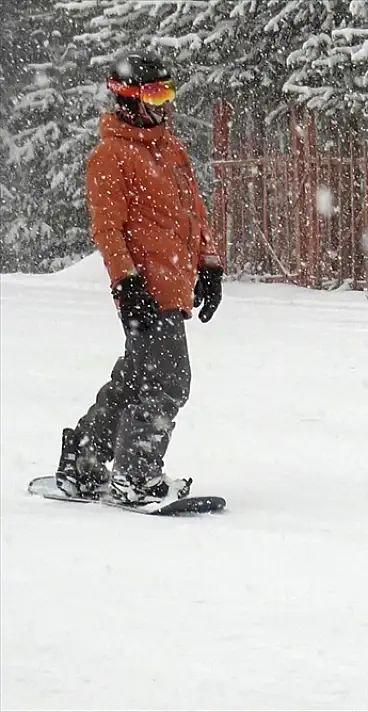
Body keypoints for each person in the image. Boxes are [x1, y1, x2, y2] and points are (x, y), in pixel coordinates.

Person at [54, 54, 223, 506]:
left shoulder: (170, 148)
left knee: (135, 379)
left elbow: (194, 211)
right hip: (146, 289)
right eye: (154, 95)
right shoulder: (111, 155)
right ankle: (136, 474)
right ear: (127, 99)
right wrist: (126, 284)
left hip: (175, 283)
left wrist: (209, 264)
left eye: (168, 93)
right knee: (169, 382)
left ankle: (84, 461)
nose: (164, 105)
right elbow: (107, 228)